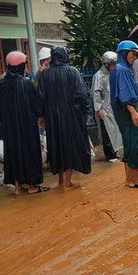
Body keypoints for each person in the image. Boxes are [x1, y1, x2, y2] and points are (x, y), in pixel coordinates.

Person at [37, 46, 91, 188]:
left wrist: (41, 116)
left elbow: (40, 97)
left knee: (56, 147)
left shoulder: (44, 75)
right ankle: (67, 180)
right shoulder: (72, 72)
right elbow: (82, 94)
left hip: (52, 118)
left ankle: (61, 180)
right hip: (71, 116)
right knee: (71, 146)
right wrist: (86, 111)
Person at [0, 51, 49, 195]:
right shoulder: (25, 83)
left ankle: (17, 186)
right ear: (20, 65)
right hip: (26, 127)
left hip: (9, 128)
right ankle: (32, 186)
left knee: (13, 154)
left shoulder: (1, 85)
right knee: (30, 153)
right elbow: (36, 106)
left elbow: (1, 107)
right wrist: (40, 116)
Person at [110, 40, 138, 189]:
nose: (135, 57)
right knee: (135, 145)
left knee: (129, 145)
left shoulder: (119, 69)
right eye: (133, 54)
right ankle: (133, 180)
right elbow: (124, 93)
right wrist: (133, 111)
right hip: (128, 112)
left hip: (123, 112)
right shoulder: (122, 70)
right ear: (125, 53)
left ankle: (129, 179)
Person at [92, 51, 123, 163]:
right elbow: (96, 93)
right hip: (104, 109)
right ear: (106, 63)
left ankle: (117, 151)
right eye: (112, 64)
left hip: (113, 107)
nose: (114, 66)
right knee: (107, 132)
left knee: (115, 130)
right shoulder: (98, 76)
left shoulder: (113, 74)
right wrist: (98, 109)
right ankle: (110, 155)